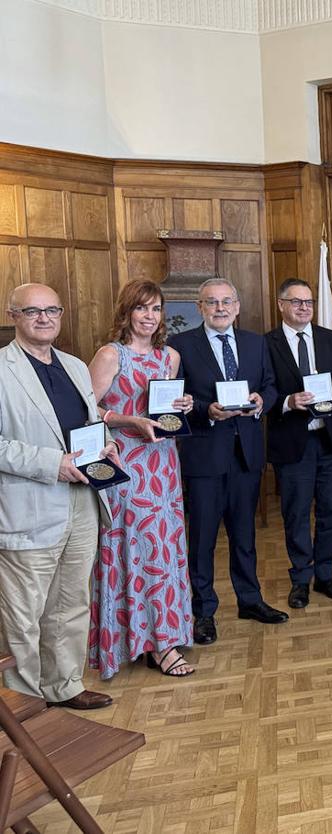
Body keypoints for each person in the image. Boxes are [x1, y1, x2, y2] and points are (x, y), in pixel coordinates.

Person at [0, 283, 116, 708]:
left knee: (70, 603)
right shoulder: (2, 368)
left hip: (82, 500)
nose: (44, 318)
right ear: (14, 316)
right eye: (33, 311)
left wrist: (105, 444)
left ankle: (64, 685)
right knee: (23, 615)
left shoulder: (74, 365)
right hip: (29, 502)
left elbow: (86, 423)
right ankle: (23, 703)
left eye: (52, 310)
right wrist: (54, 464)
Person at [88, 280, 196, 679]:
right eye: (142, 309)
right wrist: (125, 420)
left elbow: (166, 407)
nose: (150, 317)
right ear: (127, 312)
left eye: (156, 309)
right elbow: (87, 408)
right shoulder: (110, 354)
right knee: (137, 550)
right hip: (127, 463)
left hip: (164, 464)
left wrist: (183, 404)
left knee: (166, 553)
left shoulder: (170, 356)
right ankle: (133, 642)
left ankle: (163, 638)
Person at [169, 278, 285, 646]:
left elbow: (270, 386)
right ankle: (203, 611)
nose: (220, 309)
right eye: (211, 303)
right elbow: (176, 398)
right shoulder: (181, 345)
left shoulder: (255, 343)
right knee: (202, 539)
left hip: (247, 453)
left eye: (226, 302)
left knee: (245, 536)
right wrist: (207, 411)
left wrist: (260, 400)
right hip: (205, 454)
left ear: (237, 306)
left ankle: (250, 600)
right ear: (200, 308)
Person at [266, 278, 332, 610]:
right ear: (281, 305)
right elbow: (262, 394)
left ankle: (325, 574)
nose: (304, 307)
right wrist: (288, 401)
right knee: (295, 514)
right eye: (296, 302)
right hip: (293, 442)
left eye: (308, 302)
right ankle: (299, 580)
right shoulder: (267, 344)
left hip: (331, 440)